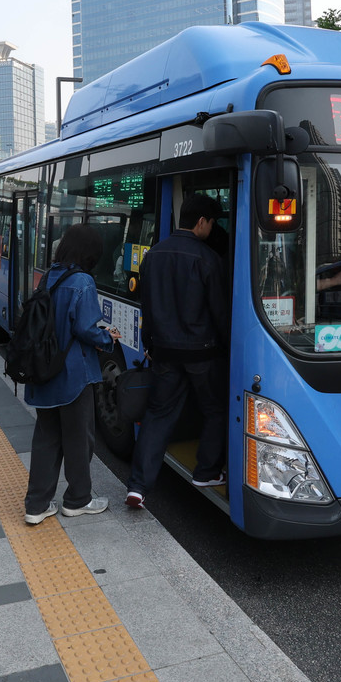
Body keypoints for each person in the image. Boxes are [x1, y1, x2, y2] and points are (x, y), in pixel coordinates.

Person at [126, 193, 230, 509]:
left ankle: (138, 487)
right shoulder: (208, 259)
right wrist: (228, 348)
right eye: (212, 223)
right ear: (202, 222)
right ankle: (207, 472)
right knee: (216, 409)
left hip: (165, 352)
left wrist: (151, 345)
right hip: (202, 353)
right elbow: (220, 313)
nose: (212, 229)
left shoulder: (152, 256)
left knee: (158, 415)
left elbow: (148, 307)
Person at [24, 224, 121, 524]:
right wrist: (109, 338)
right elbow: (85, 328)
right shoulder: (82, 281)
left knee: (46, 438)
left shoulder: (48, 277)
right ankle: (77, 499)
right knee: (79, 438)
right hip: (73, 375)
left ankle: (36, 506)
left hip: (43, 370)